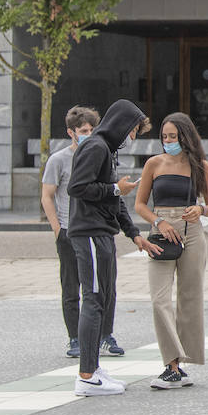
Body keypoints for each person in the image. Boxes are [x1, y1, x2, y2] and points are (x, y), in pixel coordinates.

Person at [133, 113, 208, 390]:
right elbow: (139, 204)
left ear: (185, 137)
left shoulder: (201, 166)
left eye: (173, 136)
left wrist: (201, 210)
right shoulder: (153, 163)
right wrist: (157, 221)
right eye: (164, 136)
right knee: (159, 299)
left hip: (192, 231)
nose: (168, 141)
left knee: (190, 297)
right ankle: (170, 363)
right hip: (161, 230)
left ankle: (181, 365)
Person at [65, 99, 150, 397]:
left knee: (102, 297)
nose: (134, 137)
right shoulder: (97, 147)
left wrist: (134, 233)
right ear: (123, 126)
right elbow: (76, 187)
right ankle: (86, 376)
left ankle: (93, 367)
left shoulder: (105, 150)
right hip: (88, 232)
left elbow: (113, 201)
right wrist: (116, 188)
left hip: (100, 232)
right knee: (94, 298)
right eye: (134, 131)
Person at [42, 105, 128, 360]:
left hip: (96, 227)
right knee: (72, 286)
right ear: (71, 132)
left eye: (92, 129)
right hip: (70, 229)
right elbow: (47, 195)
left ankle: (105, 335)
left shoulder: (103, 154)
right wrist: (57, 228)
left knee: (105, 285)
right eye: (83, 130)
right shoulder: (58, 160)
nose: (88, 134)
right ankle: (75, 337)